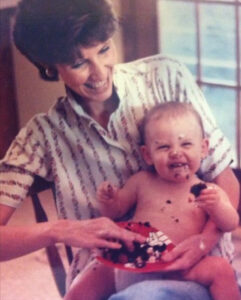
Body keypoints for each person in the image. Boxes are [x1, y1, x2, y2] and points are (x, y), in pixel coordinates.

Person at [0, 0, 239, 299]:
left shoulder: (165, 76)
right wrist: (61, 230)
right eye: (78, 63)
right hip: (111, 277)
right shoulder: (42, 136)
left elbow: (225, 181)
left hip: (198, 270)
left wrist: (205, 240)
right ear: (50, 66)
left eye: (104, 49)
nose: (99, 73)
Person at [96, 102, 240, 300]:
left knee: (221, 269)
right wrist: (109, 199)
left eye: (186, 144)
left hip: (184, 267)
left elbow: (230, 223)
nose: (175, 152)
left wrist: (217, 207)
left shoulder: (208, 192)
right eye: (164, 146)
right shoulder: (142, 181)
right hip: (140, 263)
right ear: (147, 155)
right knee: (101, 268)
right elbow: (117, 211)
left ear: (203, 148)